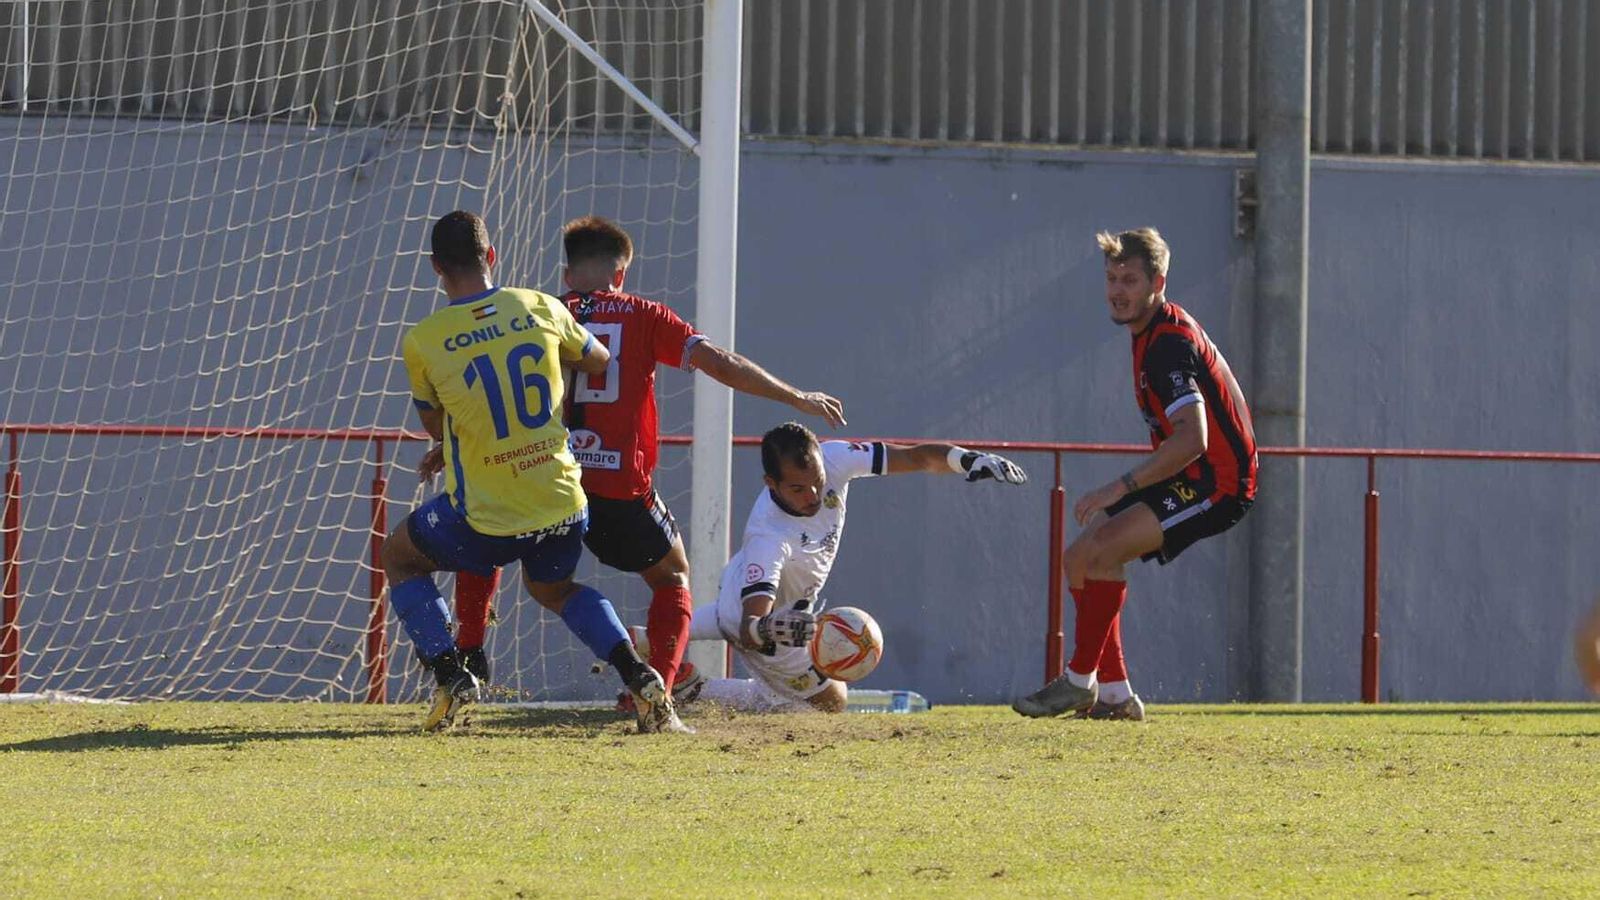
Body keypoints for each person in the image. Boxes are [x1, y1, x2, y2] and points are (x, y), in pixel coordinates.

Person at [422, 216, 845, 733]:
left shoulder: (538, 312)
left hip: (545, 477)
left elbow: (495, 395)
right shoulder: (644, 315)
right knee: (672, 579)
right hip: (619, 488)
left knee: (485, 531)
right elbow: (720, 363)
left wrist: (448, 447)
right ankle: (654, 697)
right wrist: (797, 397)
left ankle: (469, 649)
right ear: (621, 274)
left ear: (568, 272)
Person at [382, 210, 668, 733]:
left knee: (399, 556)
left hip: (490, 518)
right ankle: (638, 673)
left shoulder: (424, 339)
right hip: (563, 501)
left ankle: (453, 673)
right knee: (554, 590)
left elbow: (434, 425)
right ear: (492, 257)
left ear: (434, 268)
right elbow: (599, 359)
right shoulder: (538, 304)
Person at [1013, 227, 1257, 721]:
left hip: (1219, 484)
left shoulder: (1167, 344)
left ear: (1158, 282)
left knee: (1101, 551)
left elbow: (1194, 439)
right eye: (1111, 278)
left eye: (1129, 279)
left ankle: (1081, 682)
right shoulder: (1150, 331)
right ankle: (1117, 698)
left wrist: (1118, 487)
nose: (1117, 290)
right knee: (1079, 558)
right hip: (1190, 473)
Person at [684, 422, 1028, 713]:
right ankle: (695, 692)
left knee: (665, 632)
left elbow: (916, 456)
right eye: (798, 489)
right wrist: (771, 626)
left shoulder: (836, 457)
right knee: (830, 703)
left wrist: (966, 459)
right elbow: (749, 627)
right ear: (770, 483)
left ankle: (655, 666)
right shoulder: (768, 535)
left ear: (821, 456)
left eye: (817, 481)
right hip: (767, 623)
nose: (814, 495)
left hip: (751, 592)